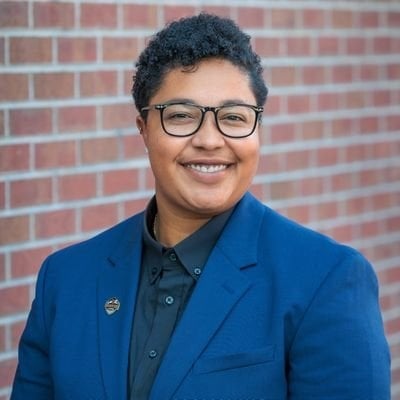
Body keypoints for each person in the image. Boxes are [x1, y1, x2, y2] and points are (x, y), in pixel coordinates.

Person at [11, 13, 390, 400]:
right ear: (143, 130)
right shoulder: (66, 278)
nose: (210, 140)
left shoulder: (325, 279)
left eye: (233, 117)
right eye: (181, 116)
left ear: (257, 130)